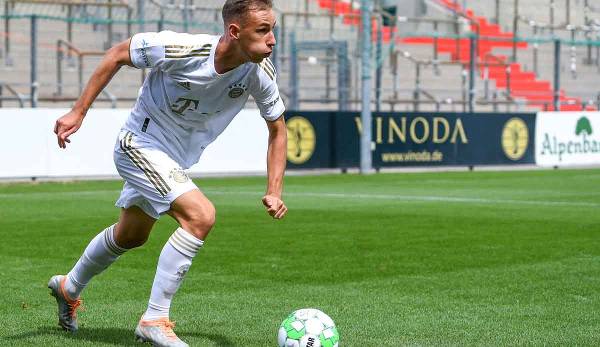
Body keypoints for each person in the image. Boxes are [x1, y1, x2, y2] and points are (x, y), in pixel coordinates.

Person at [49, 0, 287, 346]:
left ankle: (68, 287)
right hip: (139, 143)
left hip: (173, 160)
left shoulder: (259, 73)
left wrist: (275, 190)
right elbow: (117, 53)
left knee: (131, 235)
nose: (272, 40)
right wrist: (78, 112)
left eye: (273, 29)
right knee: (201, 216)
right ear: (235, 32)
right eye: (263, 30)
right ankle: (155, 318)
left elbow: (278, 129)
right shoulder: (182, 49)